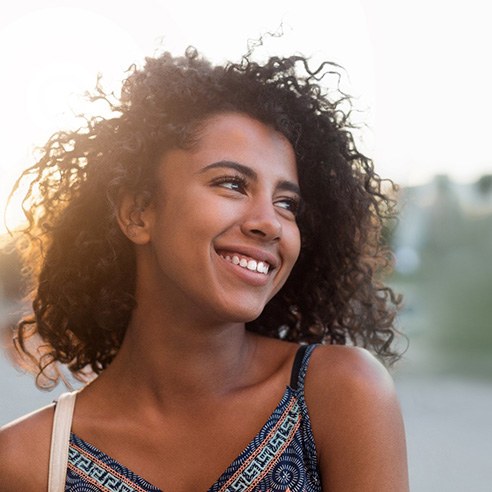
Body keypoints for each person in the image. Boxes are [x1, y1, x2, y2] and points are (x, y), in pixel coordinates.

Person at [0, 46, 409, 491]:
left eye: (287, 203)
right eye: (232, 184)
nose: (270, 223)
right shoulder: (27, 461)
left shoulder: (340, 393)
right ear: (139, 213)